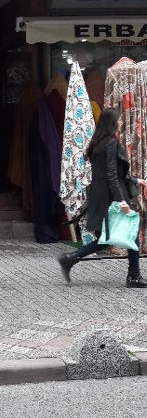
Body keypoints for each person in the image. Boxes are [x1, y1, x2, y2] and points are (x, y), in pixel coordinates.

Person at [58, 107, 147, 287]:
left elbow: (111, 173)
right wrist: (121, 201)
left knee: (106, 238)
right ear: (112, 123)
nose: (121, 122)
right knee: (130, 232)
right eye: (119, 120)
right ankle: (134, 276)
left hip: (100, 194)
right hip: (110, 195)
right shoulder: (111, 143)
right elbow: (112, 174)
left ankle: (71, 258)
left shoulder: (98, 143)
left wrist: (137, 180)